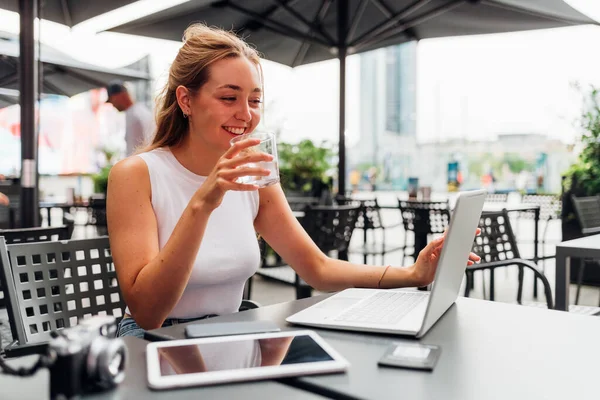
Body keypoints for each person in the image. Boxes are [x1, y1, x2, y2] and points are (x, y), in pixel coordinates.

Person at [107, 24, 480, 338]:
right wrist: (203, 203)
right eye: (228, 97)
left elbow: (317, 268)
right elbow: (148, 313)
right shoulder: (137, 175)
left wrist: (413, 273)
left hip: (230, 334)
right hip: (154, 341)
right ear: (186, 101)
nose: (246, 114)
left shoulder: (256, 177)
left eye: (255, 100)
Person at [106, 80, 155, 156]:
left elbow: (133, 151)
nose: (112, 104)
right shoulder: (141, 110)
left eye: (112, 100)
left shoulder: (134, 115)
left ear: (120, 96)